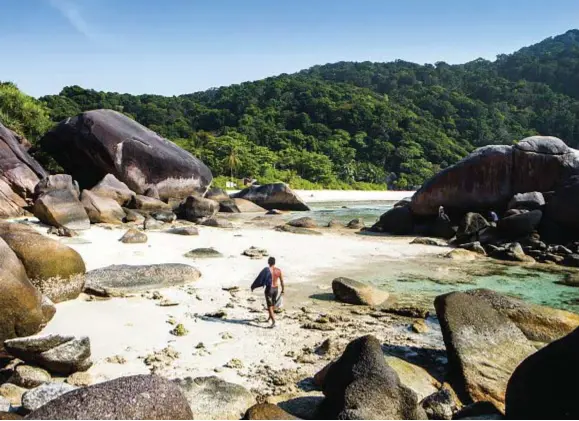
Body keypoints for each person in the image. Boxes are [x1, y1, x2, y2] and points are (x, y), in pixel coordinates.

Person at [250, 256, 284, 328]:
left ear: (268, 262)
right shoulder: (279, 270)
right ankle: (269, 318)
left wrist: (253, 286)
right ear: (274, 263)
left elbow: (259, 278)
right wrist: (283, 290)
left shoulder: (266, 270)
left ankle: (274, 321)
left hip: (269, 289)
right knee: (273, 304)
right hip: (276, 289)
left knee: (269, 306)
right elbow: (281, 281)